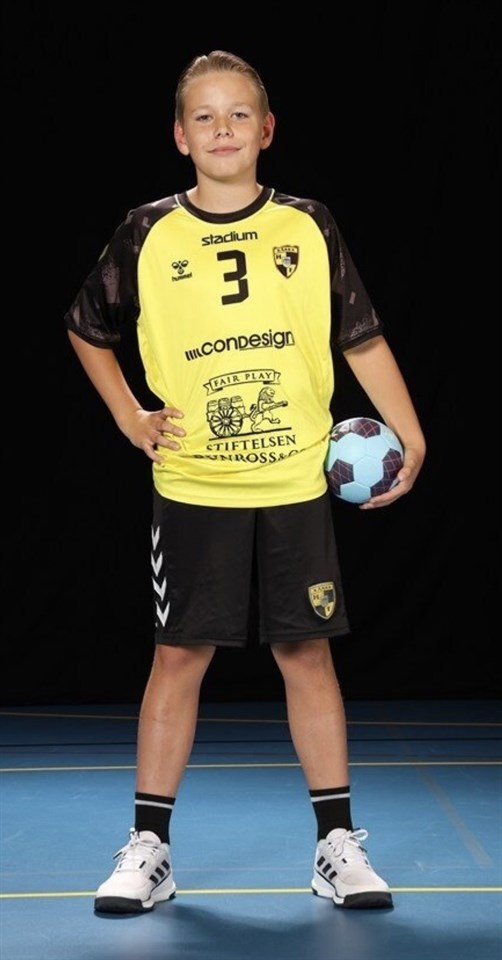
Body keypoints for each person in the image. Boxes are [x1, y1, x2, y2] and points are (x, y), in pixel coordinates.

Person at [64, 49, 426, 915]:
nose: (221, 129)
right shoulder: (147, 230)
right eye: (204, 116)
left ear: (266, 130)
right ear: (179, 136)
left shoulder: (308, 224)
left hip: (296, 479)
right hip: (196, 483)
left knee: (307, 652)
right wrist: (130, 416)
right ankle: (149, 849)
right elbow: (85, 326)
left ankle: (337, 846)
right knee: (178, 655)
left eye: (237, 115)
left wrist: (412, 435)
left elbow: (361, 337)